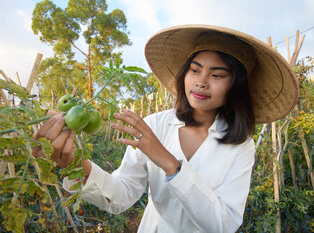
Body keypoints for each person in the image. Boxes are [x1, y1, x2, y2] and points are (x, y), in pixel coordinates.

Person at [32, 25, 298, 232]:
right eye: (195, 70)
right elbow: (121, 195)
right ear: (184, 75)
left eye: (217, 75)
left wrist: (171, 164)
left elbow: (224, 224)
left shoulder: (241, 146)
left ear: (235, 86)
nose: (202, 82)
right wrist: (76, 165)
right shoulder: (156, 125)